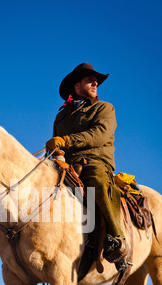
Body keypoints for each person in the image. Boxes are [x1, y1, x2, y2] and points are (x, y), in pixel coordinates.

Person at [46, 63, 128, 270]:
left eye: (96, 81)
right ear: (76, 86)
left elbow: (99, 134)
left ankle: (116, 240)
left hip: (95, 160)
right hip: (66, 165)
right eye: (89, 80)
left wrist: (65, 140)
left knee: (98, 181)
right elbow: (59, 145)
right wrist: (56, 153)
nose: (95, 83)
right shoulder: (61, 116)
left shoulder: (104, 108)